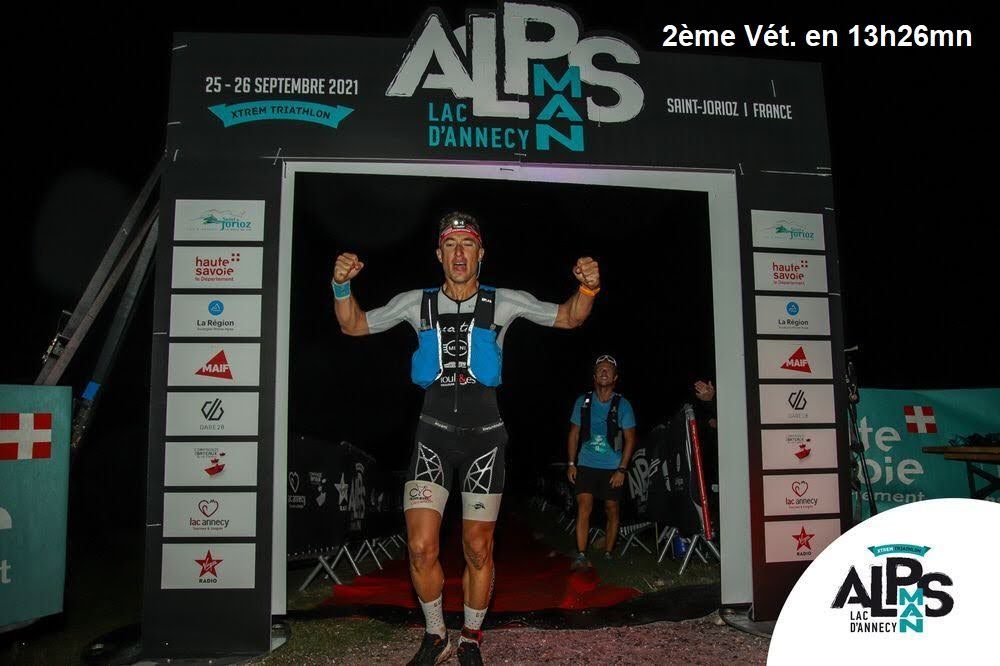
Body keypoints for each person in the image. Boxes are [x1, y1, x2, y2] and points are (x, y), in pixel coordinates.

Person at [332, 212, 600, 666]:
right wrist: (341, 286)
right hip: (431, 437)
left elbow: (569, 317)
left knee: (478, 548)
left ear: (481, 253)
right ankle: (436, 635)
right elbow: (354, 324)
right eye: (450, 244)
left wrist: (588, 288)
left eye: (468, 244)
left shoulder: (504, 301)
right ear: (439, 254)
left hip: (485, 441)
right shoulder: (415, 303)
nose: (459, 253)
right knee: (421, 547)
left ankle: (471, 638)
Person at [566, 355, 636, 569]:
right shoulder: (583, 401)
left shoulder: (623, 404)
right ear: (595, 377)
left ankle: (608, 552)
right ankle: (581, 554)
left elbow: (630, 439)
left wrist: (621, 469)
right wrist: (571, 464)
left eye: (608, 370)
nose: (604, 372)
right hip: (586, 463)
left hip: (612, 466)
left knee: (611, 508)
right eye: (600, 369)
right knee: (584, 505)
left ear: (615, 378)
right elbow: (573, 434)